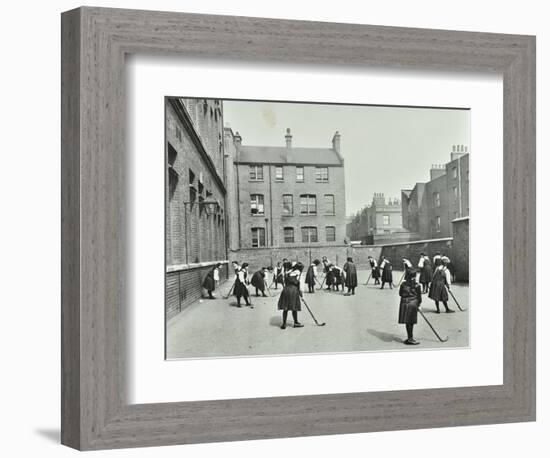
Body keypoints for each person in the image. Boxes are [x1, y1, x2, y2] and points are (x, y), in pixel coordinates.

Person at [398, 268, 423, 345]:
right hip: (413, 304)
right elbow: (419, 297)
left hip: (404, 304)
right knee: (411, 322)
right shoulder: (417, 285)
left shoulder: (403, 284)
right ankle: (410, 339)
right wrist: (419, 305)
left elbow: (400, 294)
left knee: (407, 322)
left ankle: (409, 337)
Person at [277, 262, 305, 329]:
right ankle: (296, 323)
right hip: (293, 291)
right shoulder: (300, 274)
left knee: (285, 307)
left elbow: (284, 281)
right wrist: (302, 296)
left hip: (285, 290)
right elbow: (301, 287)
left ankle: (284, 324)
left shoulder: (288, 272)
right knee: (294, 307)